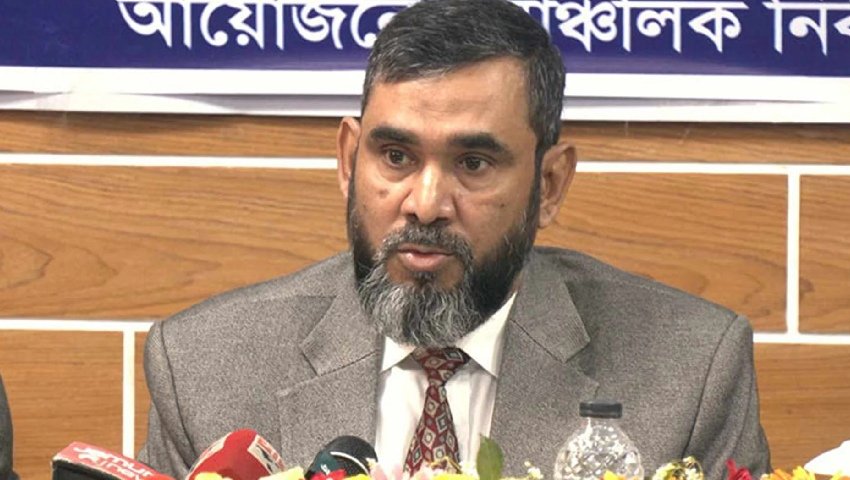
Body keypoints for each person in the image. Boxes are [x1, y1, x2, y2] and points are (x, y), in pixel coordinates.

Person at [138, 0, 771, 478]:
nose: (425, 203)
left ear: (549, 184)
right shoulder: (203, 367)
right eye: (395, 156)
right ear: (348, 160)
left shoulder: (690, 371)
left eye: (473, 163)